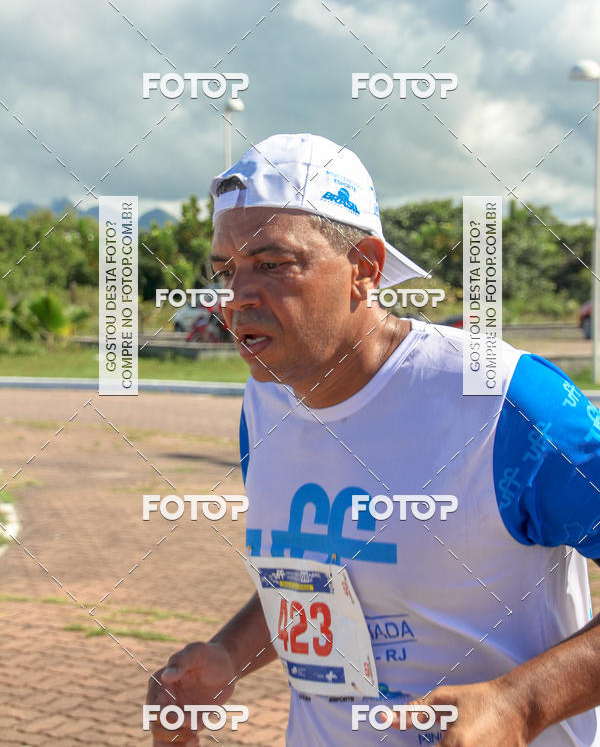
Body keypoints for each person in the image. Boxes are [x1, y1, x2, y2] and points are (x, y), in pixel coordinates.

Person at [148, 133, 600, 745]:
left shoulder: (506, 403)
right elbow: (320, 578)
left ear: (365, 268)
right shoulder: (266, 401)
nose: (237, 298)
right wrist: (229, 654)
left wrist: (522, 704)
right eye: (226, 271)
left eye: (273, 264)